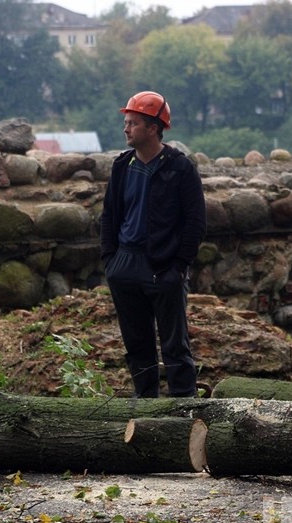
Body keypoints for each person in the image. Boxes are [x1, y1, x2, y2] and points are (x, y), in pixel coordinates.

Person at [100, 91, 207, 398]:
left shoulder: (180, 168)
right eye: (126, 122)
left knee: (175, 345)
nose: (126, 128)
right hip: (125, 264)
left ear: (153, 128)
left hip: (163, 266)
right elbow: (109, 215)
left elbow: (196, 222)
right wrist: (111, 261)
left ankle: (184, 406)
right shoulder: (122, 166)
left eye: (133, 123)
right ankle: (145, 403)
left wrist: (179, 267)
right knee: (137, 344)